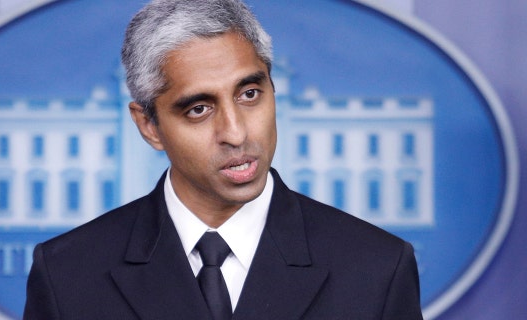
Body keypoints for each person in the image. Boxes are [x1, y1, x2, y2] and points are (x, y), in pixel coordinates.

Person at [23, 0, 424, 319]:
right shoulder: (67, 273)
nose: (236, 133)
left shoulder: (377, 267)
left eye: (249, 94)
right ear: (149, 125)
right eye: (199, 108)